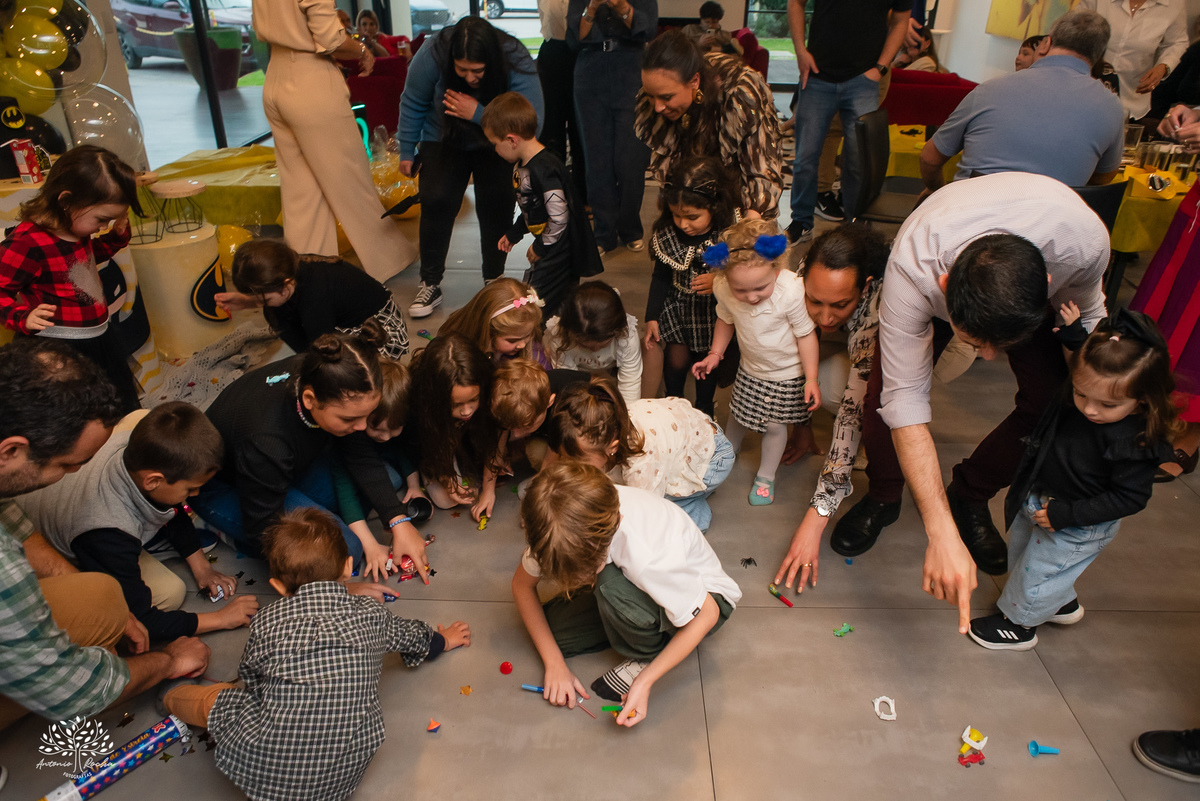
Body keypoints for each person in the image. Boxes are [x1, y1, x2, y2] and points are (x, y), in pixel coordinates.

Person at [835, 172, 1109, 634]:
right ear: (944, 286)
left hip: (1041, 247)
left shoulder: (1082, 246)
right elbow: (906, 401)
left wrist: (1096, 407)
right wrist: (939, 534)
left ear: (1046, 283)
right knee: (883, 395)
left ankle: (970, 493)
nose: (988, 357)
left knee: (1053, 400)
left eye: (999, 345)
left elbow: (1092, 325)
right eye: (975, 342)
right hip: (940, 248)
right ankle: (883, 495)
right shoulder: (913, 268)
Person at [163, 508, 470, 801]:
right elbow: (413, 637)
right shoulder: (372, 615)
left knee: (216, 701)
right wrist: (442, 640)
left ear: (277, 586)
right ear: (348, 567)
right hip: (339, 781)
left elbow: (251, 677)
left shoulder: (268, 621)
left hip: (264, 767)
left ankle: (169, 696)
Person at [0, 340, 210, 732]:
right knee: (123, 600)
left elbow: (14, 523)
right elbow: (71, 692)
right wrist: (169, 661)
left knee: (104, 596)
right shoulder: (6, 568)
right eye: (69, 464)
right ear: (10, 451)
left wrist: (105, 602)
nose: (77, 474)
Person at [969, 310, 1177, 649]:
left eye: (1108, 404)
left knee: (1039, 573)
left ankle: (1019, 625)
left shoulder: (1136, 442)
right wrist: (1073, 336)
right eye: (1081, 395)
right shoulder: (1093, 387)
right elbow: (1084, 366)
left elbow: (1130, 498)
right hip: (1045, 499)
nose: (1090, 409)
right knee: (1026, 558)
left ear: (1142, 399)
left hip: (1078, 521)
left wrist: (1069, 515)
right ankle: (1060, 603)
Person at [190, 323, 431, 582]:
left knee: (387, 480)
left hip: (282, 470)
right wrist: (342, 589)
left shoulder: (324, 371)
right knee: (346, 550)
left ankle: (309, 506)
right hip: (229, 489)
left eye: (367, 416)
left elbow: (359, 455)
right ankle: (220, 528)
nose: (362, 428)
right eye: (349, 419)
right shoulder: (267, 442)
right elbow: (264, 526)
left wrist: (398, 520)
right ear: (309, 400)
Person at [510, 460, 740, 723]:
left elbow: (708, 613)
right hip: (636, 582)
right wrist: (554, 664)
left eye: (586, 570)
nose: (577, 581)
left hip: (708, 600)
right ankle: (623, 620)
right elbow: (521, 586)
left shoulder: (648, 556)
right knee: (554, 632)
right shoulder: (555, 528)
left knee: (608, 585)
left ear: (616, 525)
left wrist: (645, 680)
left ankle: (648, 652)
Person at [16, 403, 257, 642]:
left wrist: (202, 568)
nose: (195, 495)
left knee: (140, 416)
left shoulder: (134, 443)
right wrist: (221, 618)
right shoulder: (107, 532)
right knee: (171, 593)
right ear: (152, 481)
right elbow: (143, 621)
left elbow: (170, 505)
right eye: (190, 489)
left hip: (67, 497)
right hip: (56, 539)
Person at [252, 0, 417, 284]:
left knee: (301, 190)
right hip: (310, 77)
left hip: (275, 76)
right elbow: (330, 38)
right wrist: (362, 50)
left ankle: (310, 270)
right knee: (351, 178)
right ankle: (390, 260)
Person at [770, 225, 888, 594]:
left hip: (934, 347)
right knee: (788, 358)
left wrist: (817, 517)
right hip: (848, 338)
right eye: (814, 301)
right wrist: (801, 424)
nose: (824, 317)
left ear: (864, 287)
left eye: (839, 304)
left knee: (863, 397)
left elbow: (851, 413)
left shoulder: (879, 307)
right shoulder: (803, 273)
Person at [400, 17, 544, 318]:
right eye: (461, 69)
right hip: (442, 136)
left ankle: (494, 279)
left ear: (491, 60)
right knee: (436, 199)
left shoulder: (514, 57)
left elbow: (532, 121)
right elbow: (413, 100)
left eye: (477, 71)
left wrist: (478, 113)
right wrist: (406, 149)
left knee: (497, 204)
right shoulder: (433, 52)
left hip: (497, 142)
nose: (469, 78)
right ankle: (430, 282)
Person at [0, 145, 143, 412]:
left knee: (111, 402)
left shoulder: (75, 228)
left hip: (97, 335)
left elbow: (82, 263)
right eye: (101, 219)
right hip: (60, 344)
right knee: (76, 409)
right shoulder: (27, 242)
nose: (103, 227)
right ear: (66, 201)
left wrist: (115, 237)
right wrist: (21, 317)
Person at [920, 10, 1124, 194]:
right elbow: (1102, 179)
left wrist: (936, 191)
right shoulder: (1111, 107)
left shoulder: (990, 89)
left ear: (1045, 45)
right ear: (1098, 56)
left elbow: (930, 158)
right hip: (1050, 220)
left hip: (971, 215)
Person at [692, 219, 821, 506]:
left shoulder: (791, 291)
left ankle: (766, 476)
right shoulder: (723, 287)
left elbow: (806, 336)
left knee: (775, 426)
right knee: (738, 412)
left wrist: (811, 378)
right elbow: (725, 319)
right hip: (750, 368)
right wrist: (715, 353)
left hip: (787, 374)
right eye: (741, 290)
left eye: (761, 288)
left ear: (777, 268)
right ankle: (726, 448)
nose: (751, 297)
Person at [783, 0, 911, 243]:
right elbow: (795, 3)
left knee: (857, 160)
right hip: (817, 75)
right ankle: (801, 221)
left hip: (864, 79)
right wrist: (800, 50)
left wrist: (881, 67)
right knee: (805, 157)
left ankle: (853, 226)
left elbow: (901, 20)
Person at [550, 377, 735, 531]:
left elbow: (646, 512)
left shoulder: (642, 459)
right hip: (686, 433)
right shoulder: (608, 422)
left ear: (612, 447)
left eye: (579, 461)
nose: (571, 467)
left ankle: (693, 507)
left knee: (657, 516)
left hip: (713, 458)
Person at [637, 30, 783, 220]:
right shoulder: (661, 89)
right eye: (651, 96)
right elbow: (670, 159)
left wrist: (750, 222)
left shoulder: (741, 93)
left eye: (666, 97)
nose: (657, 107)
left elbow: (761, 167)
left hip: (739, 184)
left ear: (694, 81)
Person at [484, 92, 604, 318]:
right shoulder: (524, 165)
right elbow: (532, 208)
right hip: (552, 246)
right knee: (557, 302)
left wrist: (540, 248)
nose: (495, 150)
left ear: (511, 140)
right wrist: (514, 233)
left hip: (559, 251)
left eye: (495, 144)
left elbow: (559, 217)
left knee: (534, 301)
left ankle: (531, 334)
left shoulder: (544, 169)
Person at [643, 155, 740, 418]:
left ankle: (705, 408)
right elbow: (660, 277)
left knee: (706, 362)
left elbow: (744, 271)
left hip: (714, 313)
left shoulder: (730, 232)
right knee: (676, 361)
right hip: (678, 307)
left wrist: (719, 280)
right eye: (676, 215)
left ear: (715, 206)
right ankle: (674, 404)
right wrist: (652, 316)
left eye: (692, 217)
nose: (683, 224)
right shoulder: (668, 234)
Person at [215, 238, 409, 359]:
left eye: (262, 298)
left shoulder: (315, 299)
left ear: (285, 283)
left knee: (342, 368)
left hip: (380, 328)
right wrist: (248, 301)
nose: (259, 303)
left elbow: (325, 349)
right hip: (339, 315)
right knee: (276, 313)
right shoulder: (287, 268)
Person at [567, 0, 657, 255]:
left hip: (631, 70)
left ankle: (631, 228)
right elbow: (574, 37)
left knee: (630, 159)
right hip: (590, 71)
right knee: (596, 159)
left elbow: (649, 29)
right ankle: (603, 232)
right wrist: (593, 7)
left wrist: (621, 7)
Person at [329, 359, 427, 582]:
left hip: (380, 465)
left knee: (393, 477)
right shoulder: (349, 438)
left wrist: (414, 486)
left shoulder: (398, 427)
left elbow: (402, 450)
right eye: (375, 428)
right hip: (339, 475)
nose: (385, 436)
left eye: (394, 429)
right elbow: (345, 490)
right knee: (388, 481)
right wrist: (370, 545)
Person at [408, 333, 503, 519]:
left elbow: (495, 439)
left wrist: (489, 489)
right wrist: (446, 478)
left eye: (473, 400)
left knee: (472, 488)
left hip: (469, 437)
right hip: (436, 444)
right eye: (456, 405)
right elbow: (429, 443)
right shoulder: (420, 400)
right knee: (446, 500)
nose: (467, 411)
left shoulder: (490, 387)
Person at [1077, 0, 1187, 123]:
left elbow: (1177, 42)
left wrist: (1164, 66)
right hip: (1085, 92)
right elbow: (1073, 30)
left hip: (1133, 97)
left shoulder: (1174, 4)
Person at [545, 281, 642, 405]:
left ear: (617, 331)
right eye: (584, 344)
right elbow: (569, 383)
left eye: (603, 344)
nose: (595, 349)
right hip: (576, 372)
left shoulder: (627, 336)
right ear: (571, 333)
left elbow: (630, 382)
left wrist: (627, 411)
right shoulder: (561, 338)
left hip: (611, 368)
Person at [490, 358, 590, 470]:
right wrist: (497, 458)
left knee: (568, 464)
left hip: (585, 432)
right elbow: (500, 433)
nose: (517, 434)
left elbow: (551, 457)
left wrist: (544, 478)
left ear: (549, 402)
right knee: (535, 451)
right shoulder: (510, 399)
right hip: (551, 433)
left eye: (527, 426)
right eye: (512, 427)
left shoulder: (567, 401)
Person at [536, 0, 586, 201]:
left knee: (580, 127)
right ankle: (552, 191)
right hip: (552, 50)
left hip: (582, 51)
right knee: (550, 126)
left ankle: (583, 196)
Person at [440, 278, 549, 366]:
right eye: (512, 340)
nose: (522, 345)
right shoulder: (457, 353)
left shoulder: (532, 350)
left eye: (528, 335)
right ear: (487, 331)